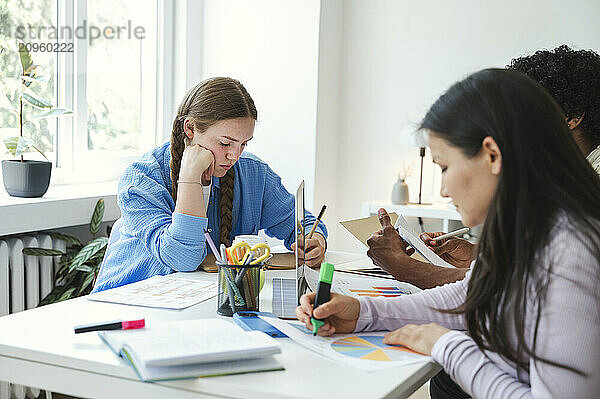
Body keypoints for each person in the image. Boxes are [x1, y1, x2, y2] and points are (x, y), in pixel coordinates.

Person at [297, 69, 600, 398]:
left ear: (492, 155)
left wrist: (448, 346)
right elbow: (471, 297)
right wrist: (363, 313)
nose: (442, 189)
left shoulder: (573, 253)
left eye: (444, 166)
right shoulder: (531, 228)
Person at [368, 45, 600, 289]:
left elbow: (515, 288)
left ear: (572, 116)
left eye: (525, 110)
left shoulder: (587, 191)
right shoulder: (558, 177)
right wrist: (476, 256)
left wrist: (405, 267)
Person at [92, 77, 327, 292]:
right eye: (225, 143)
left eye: (244, 144)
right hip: (131, 301)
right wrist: (190, 178)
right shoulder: (142, 179)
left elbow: (304, 224)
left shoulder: (254, 173)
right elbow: (182, 258)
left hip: (199, 300)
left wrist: (315, 241)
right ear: (190, 129)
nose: (235, 156)